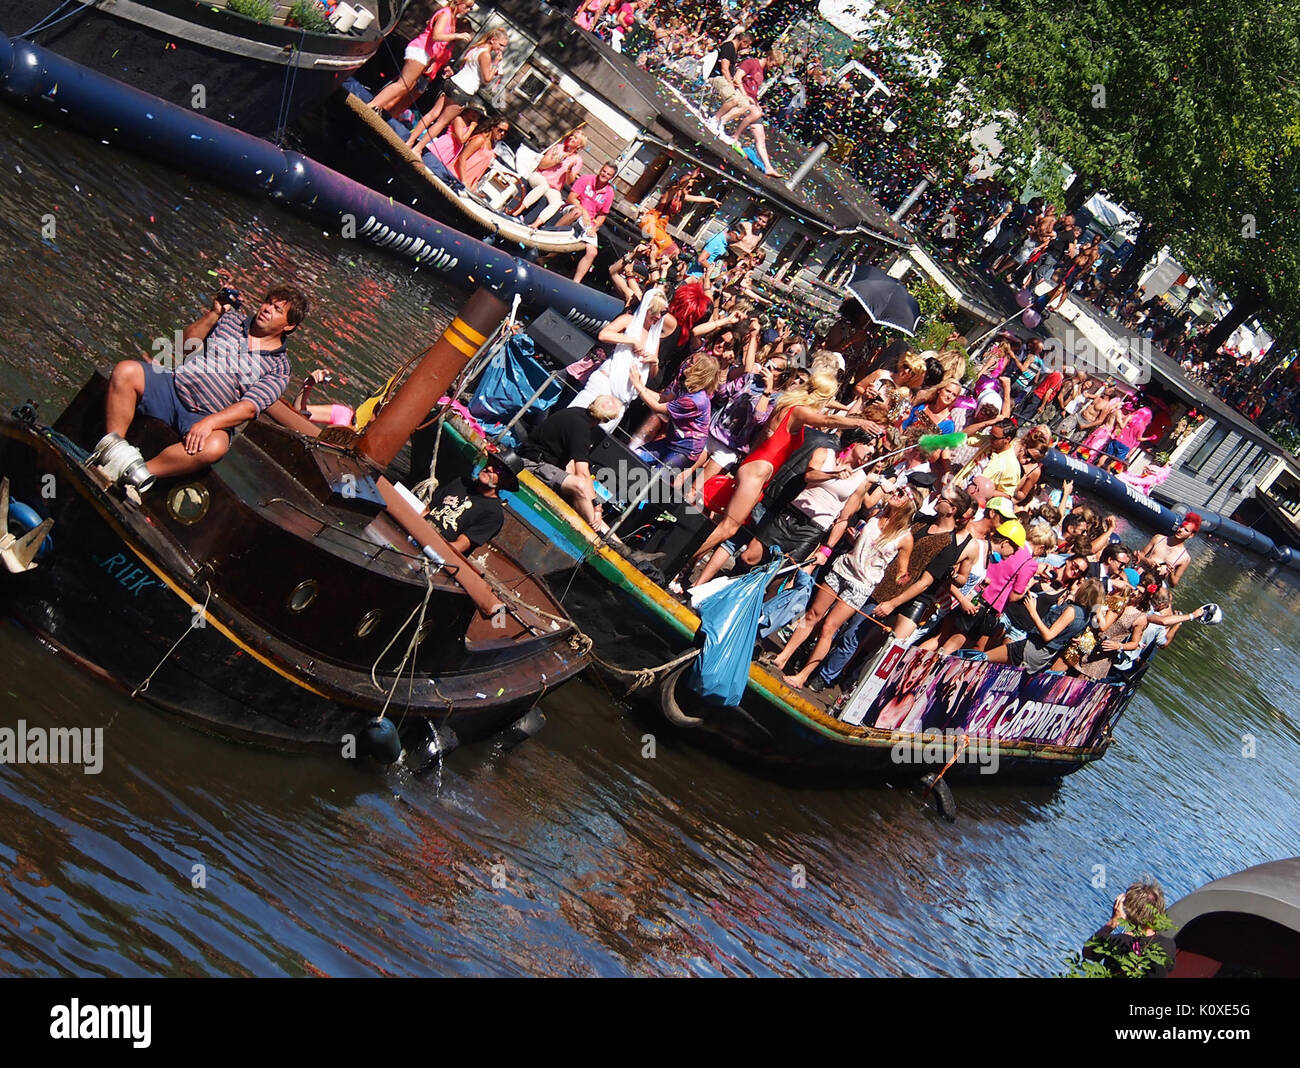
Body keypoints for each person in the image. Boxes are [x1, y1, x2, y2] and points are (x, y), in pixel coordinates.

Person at [95, 284, 307, 491]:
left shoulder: (280, 367)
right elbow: (183, 345)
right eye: (267, 303)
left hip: (207, 415)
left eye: (277, 309)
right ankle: (114, 451)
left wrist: (209, 422)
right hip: (174, 387)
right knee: (126, 371)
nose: (266, 309)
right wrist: (214, 313)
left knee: (215, 447)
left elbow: (249, 408)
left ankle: (137, 473)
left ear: (289, 325)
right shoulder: (231, 319)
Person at [774, 484, 921, 688]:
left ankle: (803, 676)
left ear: (909, 506)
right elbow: (863, 543)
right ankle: (783, 656)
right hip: (842, 569)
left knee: (828, 628)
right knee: (812, 615)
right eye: (897, 490)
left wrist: (901, 578)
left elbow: (901, 569)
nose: (895, 494)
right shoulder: (876, 515)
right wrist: (854, 539)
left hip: (861, 584)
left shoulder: (905, 538)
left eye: (901, 494)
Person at [516, 395, 623, 536]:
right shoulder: (581, 428)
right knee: (579, 486)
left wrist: (593, 500)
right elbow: (582, 473)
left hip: (545, 465)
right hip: (533, 464)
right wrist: (597, 506)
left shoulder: (576, 413)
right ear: (606, 420)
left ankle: (621, 548)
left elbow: (572, 463)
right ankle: (598, 535)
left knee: (585, 494)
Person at [407, 29, 508, 153]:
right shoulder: (486, 54)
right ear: (493, 40)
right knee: (441, 122)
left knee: (432, 114)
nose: (501, 49)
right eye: (501, 45)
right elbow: (487, 79)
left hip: (452, 82)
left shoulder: (475, 48)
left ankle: (410, 140)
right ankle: (418, 148)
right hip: (464, 90)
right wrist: (496, 64)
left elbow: (464, 66)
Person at [369, 1, 473, 117]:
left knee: (406, 87)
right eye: (467, 6)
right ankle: (373, 105)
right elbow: (436, 36)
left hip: (426, 54)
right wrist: (457, 35)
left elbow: (440, 47)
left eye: (471, 8)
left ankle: (376, 106)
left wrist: (433, 62)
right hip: (420, 50)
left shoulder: (451, 18)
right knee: (402, 85)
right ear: (458, 2)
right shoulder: (446, 14)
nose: (468, 10)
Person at [630, 355, 721, 470]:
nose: (687, 362)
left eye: (692, 362)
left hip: (685, 450)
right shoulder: (685, 384)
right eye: (689, 359)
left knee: (656, 479)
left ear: (700, 372)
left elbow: (658, 407)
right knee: (635, 457)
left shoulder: (695, 400)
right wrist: (640, 386)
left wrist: (637, 386)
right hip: (671, 441)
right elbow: (663, 398)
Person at [1081, 882, 1175, 978]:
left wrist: (1113, 922)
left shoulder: (1118, 942)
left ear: (1129, 908)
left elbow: (1087, 952)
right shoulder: (1168, 946)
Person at [427, 455, 517, 552]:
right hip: (418, 530)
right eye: (490, 464)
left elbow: (458, 546)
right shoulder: (460, 482)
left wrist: (429, 546)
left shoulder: (494, 514)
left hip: (434, 553)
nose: (489, 468)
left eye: (498, 470)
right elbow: (427, 510)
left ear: (505, 481)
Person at [551, 162, 619, 284]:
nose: (604, 174)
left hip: (588, 222)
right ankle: (549, 236)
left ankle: (575, 282)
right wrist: (584, 211)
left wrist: (595, 227)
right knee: (577, 212)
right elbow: (571, 197)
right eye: (604, 171)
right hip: (572, 209)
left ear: (611, 177)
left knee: (593, 251)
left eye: (608, 174)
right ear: (601, 169)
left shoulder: (609, 193)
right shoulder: (586, 179)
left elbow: (603, 215)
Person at [510, 131, 588, 227]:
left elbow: (568, 181)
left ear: (579, 145)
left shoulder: (577, 160)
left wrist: (569, 171)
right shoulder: (558, 148)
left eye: (575, 138)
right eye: (572, 136)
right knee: (543, 185)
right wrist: (556, 160)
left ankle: (535, 224)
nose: (571, 138)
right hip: (539, 177)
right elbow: (542, 165)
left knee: (557, 202)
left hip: (553, 188)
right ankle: (518, 210)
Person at [1136, 513, 1199, 586]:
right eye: (1181, 526)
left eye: (1186, 530)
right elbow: (1139, 555)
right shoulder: (1158, 538)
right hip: (1139, 575)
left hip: (1152, 585)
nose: (1181, 530)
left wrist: (1171, 573)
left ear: (1191, 535)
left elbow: (1173, 583)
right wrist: (1147, 561)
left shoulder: (1185, 558)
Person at [453, 118, 510, 192]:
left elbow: (479, 169)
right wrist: (463, 181)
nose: (502, 134)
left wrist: (474, 188)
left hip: (466, 185)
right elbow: (462, 158)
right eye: (500, 130)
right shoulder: (480, 139)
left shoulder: (492, 147)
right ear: (493, 127)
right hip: (456, 177)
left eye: (505, 132)